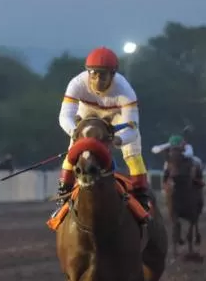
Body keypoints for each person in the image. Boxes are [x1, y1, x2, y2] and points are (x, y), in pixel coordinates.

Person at [55, 46, 151, 210]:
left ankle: (142, 198)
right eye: (94, 74)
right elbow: (64, 117)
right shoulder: (77, 83)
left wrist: (118, 139)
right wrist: (76, 135)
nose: (98, 80)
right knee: (74, 147)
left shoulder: (125, 91)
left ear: (113, 75)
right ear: (87, 72)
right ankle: (63, 195)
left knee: (132, 154)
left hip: (117, 115)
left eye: (103, 75)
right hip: (89, 111)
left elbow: (133, 130)